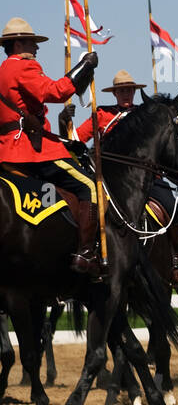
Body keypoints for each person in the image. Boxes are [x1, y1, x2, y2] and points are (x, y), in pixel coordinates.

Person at [61, 70, 178, 285]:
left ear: (134, 92)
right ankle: (90, 252)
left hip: (147, 179)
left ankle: (176, 262)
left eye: (129, 90)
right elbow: (76, 139)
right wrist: (65, 121)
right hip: (109, 179)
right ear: (115, 94)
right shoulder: (102, 114)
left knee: (172, 207)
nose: (126, 94)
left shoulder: (146, 116)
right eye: (121, 91)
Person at [0, 18, 101, 275]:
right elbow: (55, 92)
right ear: (19, 42)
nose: (37, 48)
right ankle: (86, 253)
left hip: (6, 150)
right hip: (30, 151)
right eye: (33, 43)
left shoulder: (2, 70)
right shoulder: (24, 67)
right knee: (90, 186)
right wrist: (84, 66)